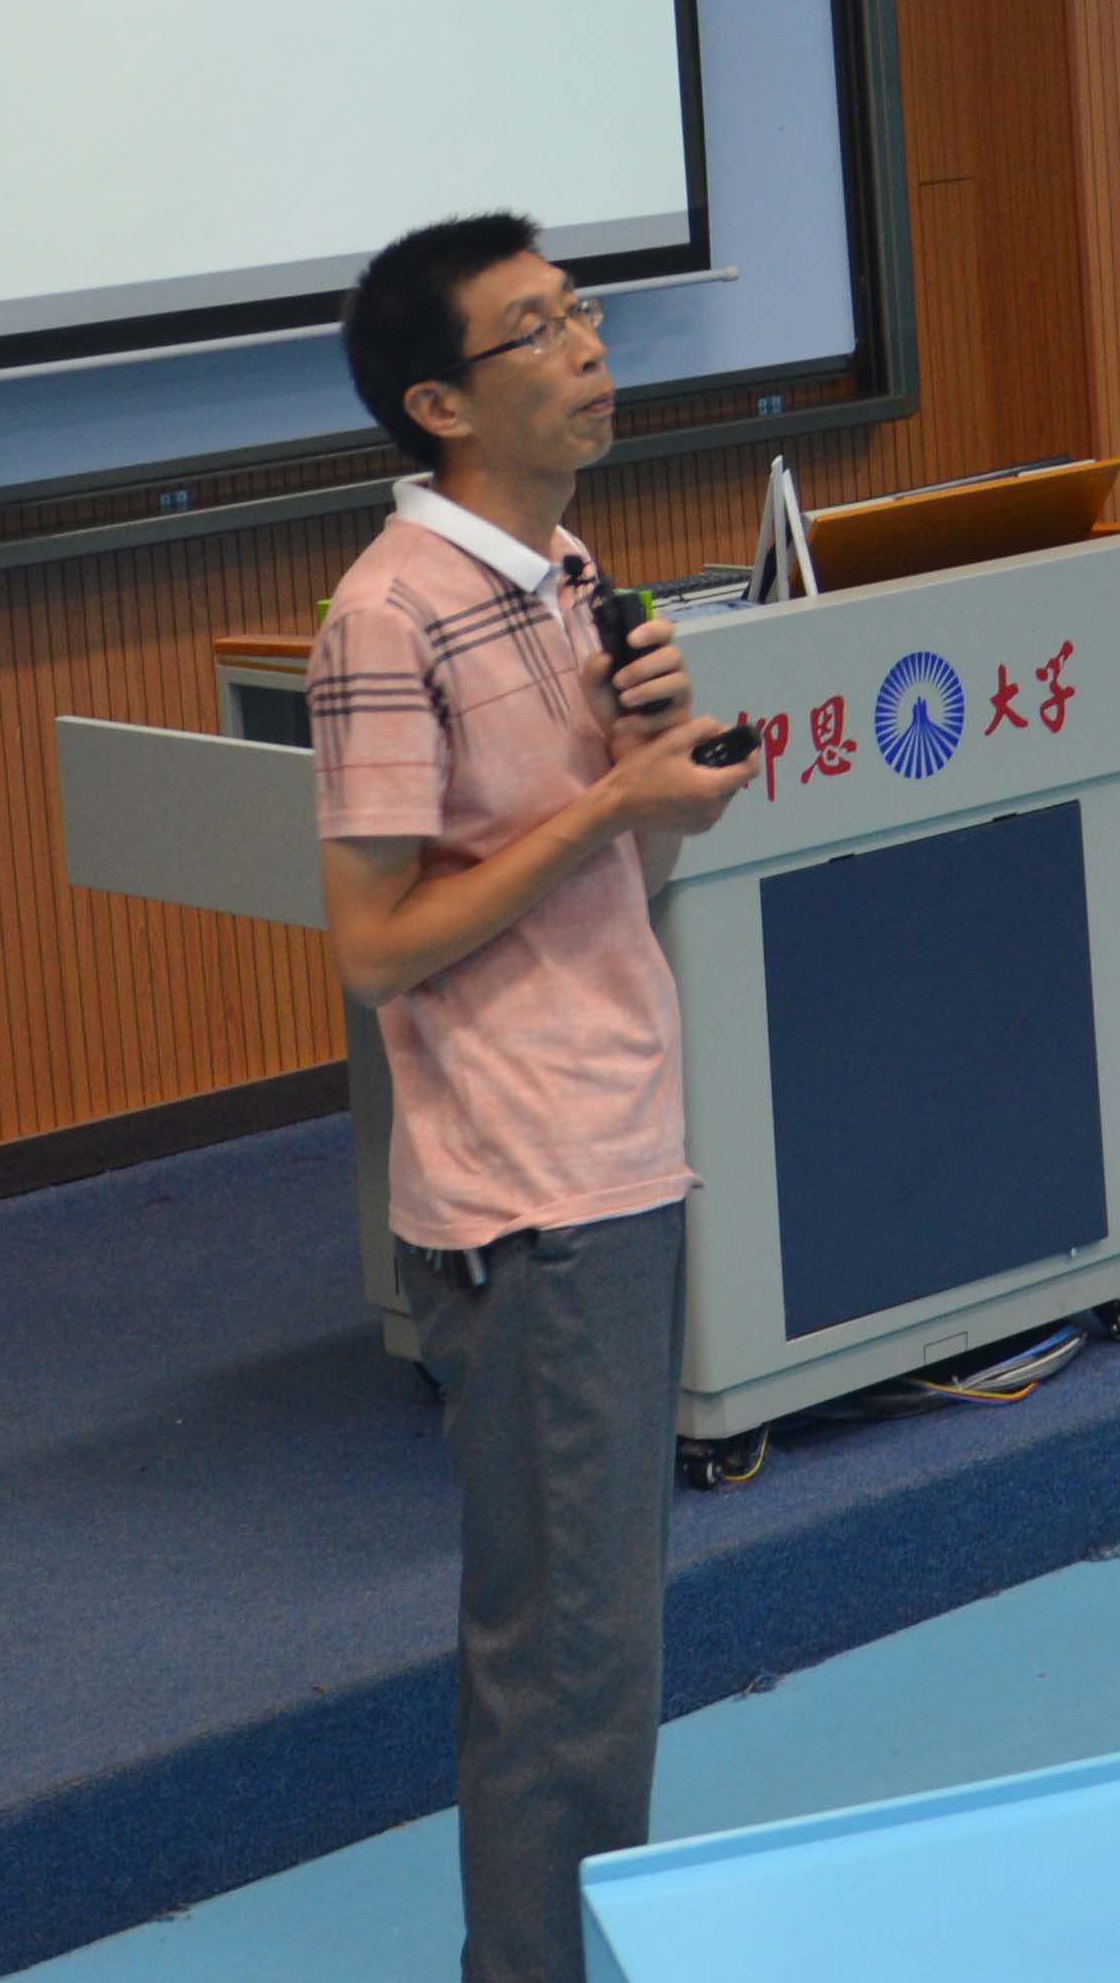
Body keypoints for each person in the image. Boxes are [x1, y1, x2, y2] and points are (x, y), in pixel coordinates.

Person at [309, 211, 758, 1983]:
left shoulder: (564, 571)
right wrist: (611, 805)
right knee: (562, 1673)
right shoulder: (386, 616)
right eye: (536, 330)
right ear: (438, 402)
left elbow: (610, 881)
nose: (586, 350)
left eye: (582, 313)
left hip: (615, 1141)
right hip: (526, 1187)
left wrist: (650, 774)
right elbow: (373, 948)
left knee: (600, 1659)